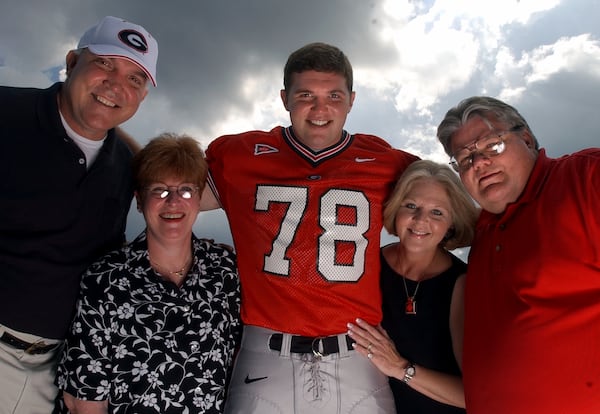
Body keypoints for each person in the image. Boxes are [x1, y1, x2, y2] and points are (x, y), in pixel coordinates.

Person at [203, 42, 418, 414]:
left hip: (360, 356)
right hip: (267, 356)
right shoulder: (240, 154)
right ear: (285, 99)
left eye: (333, 95)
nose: (320, 109)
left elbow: (450, 216)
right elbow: (164, 192)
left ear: (351, 100)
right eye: (306, 95)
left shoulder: (389, 163)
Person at [0, 15, 158, 413]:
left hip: (51, 373)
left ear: (142, 98)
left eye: (135, 79)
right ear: (71, 63)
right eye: (105, 63)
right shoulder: (8, 111)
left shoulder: (126, 167)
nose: (116, 84)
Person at [55, 133, 241, 413]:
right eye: (159, 190)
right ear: (139, 200)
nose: (173, 202)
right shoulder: (106, 279)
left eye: (186, 190)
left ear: (199, 199)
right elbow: (83, 400)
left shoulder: (225, 270)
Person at [436, 96, 600, 413]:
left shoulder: (585, 180)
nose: (479, 162)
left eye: (492, 146)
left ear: (526, 138)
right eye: (465, 159)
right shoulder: (482, 232)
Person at [347, 160, 477, 414]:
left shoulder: (463, 284)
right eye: (411, 206)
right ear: (396, 209)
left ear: (452, 222)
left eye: (437, 212)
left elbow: (473, 395)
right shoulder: (365, 264)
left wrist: (399, 367)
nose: (420, 220)